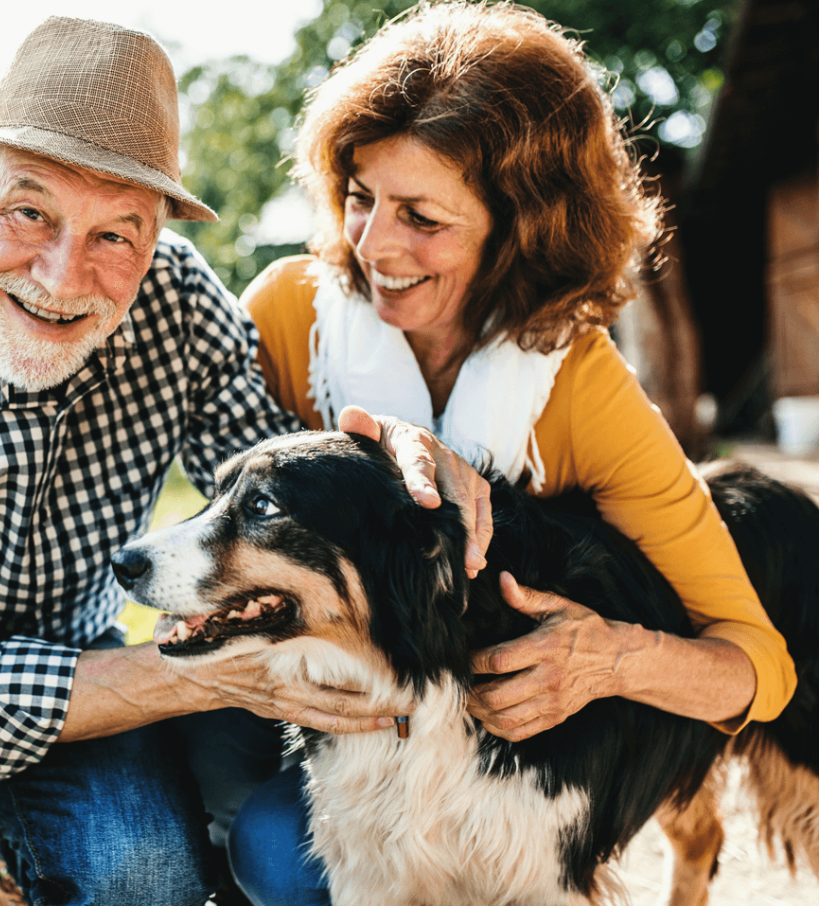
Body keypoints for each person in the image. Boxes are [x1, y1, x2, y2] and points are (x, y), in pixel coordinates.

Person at [0, 16, 487, 906]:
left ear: (155, 240)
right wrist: (208, 677)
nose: (64, 273)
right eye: (29, 210)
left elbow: (276, 492)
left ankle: (17, 838)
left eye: (116, 234)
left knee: (146, 880)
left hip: (74, 674)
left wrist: (398, 461)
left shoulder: (180, 306)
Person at [224, 2, 797, 903]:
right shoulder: (287, 314)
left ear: (522, 226)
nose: (376, 245)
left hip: (499, 761)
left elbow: (758, 669)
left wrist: (608, 659)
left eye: (424, 216)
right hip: (329, 727)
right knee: (274, 855)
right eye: (362, 197)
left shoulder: (585, 391)